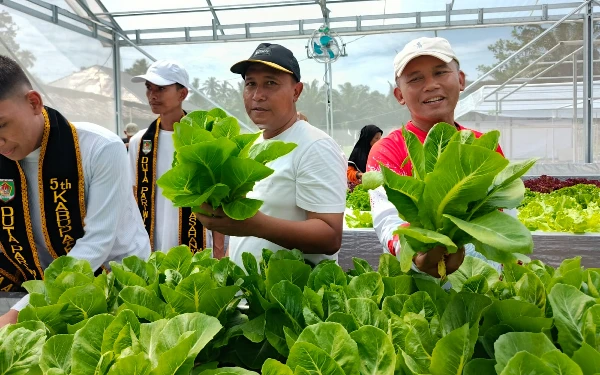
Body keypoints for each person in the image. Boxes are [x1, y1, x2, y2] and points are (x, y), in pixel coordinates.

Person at [0, 55, 150, 327]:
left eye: (1, 125)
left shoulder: (99, 148)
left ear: (34, 102)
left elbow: (97, 244)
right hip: (44, 290)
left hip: (115, 288)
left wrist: (16, 314)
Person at [195, 43, 347, 268]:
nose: (257, 95)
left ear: (296, 91)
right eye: (250, 84)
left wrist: (252, 225)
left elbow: (330, 236)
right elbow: (241, 234)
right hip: (247, 296)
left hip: (287, 299)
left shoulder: (315, 146)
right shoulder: (251, 145)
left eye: (270, 83)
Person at [367, 37, 504, 278]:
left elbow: (503, 220)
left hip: (483, 278)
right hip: (417, 283)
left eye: (440, 73)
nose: (430, 85)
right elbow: (387, 221)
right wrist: (418, 253)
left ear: (460, 80)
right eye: (416, 79)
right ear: (399, 94)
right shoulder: (388, 149)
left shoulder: (485, 145)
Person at [129, 60, 225, 258]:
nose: (152, 95)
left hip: (198, 244)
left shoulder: (206, 138)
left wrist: (219, 248)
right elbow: (132, 196)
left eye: (161, 89)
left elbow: (219, 199)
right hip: (149, 245)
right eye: (149, 88)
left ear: (182, 94)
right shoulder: (139, 142)